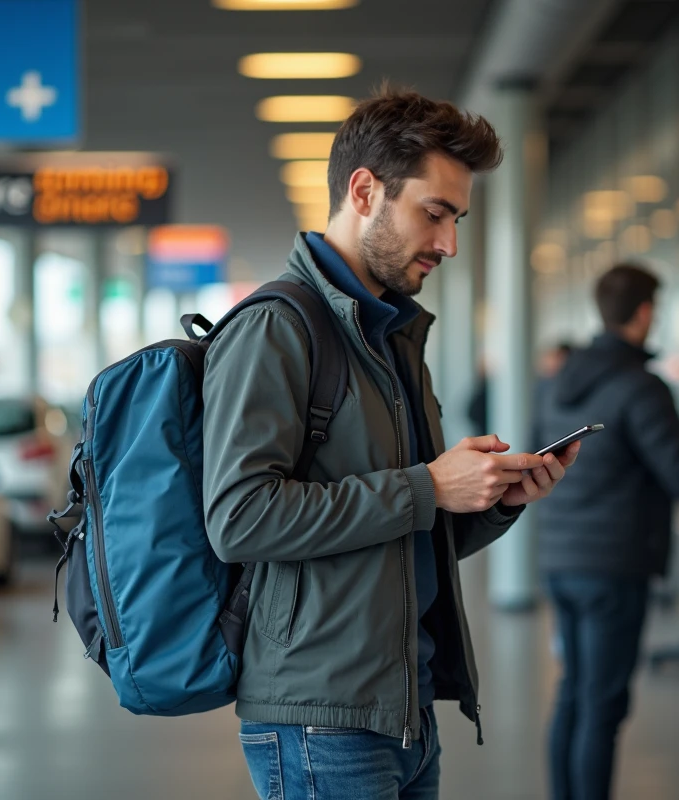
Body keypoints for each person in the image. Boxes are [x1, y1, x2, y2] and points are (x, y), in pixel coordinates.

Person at [202, 86, 580, 800]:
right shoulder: (276, 328)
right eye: (434, 213)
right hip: (320, 717)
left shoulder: (392, 337)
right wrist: (429, 486)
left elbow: (401, 539)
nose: (449, 243)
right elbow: (239, 517)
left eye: (457, 218)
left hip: (400, 709)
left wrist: (491, 500)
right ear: (365, 191)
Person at [535, 264, 679, 800]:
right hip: (613, 568)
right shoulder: (640, 388)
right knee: (602, 704)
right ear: (644, 313)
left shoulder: (556, 384)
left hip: (560, 559)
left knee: (573, 692)